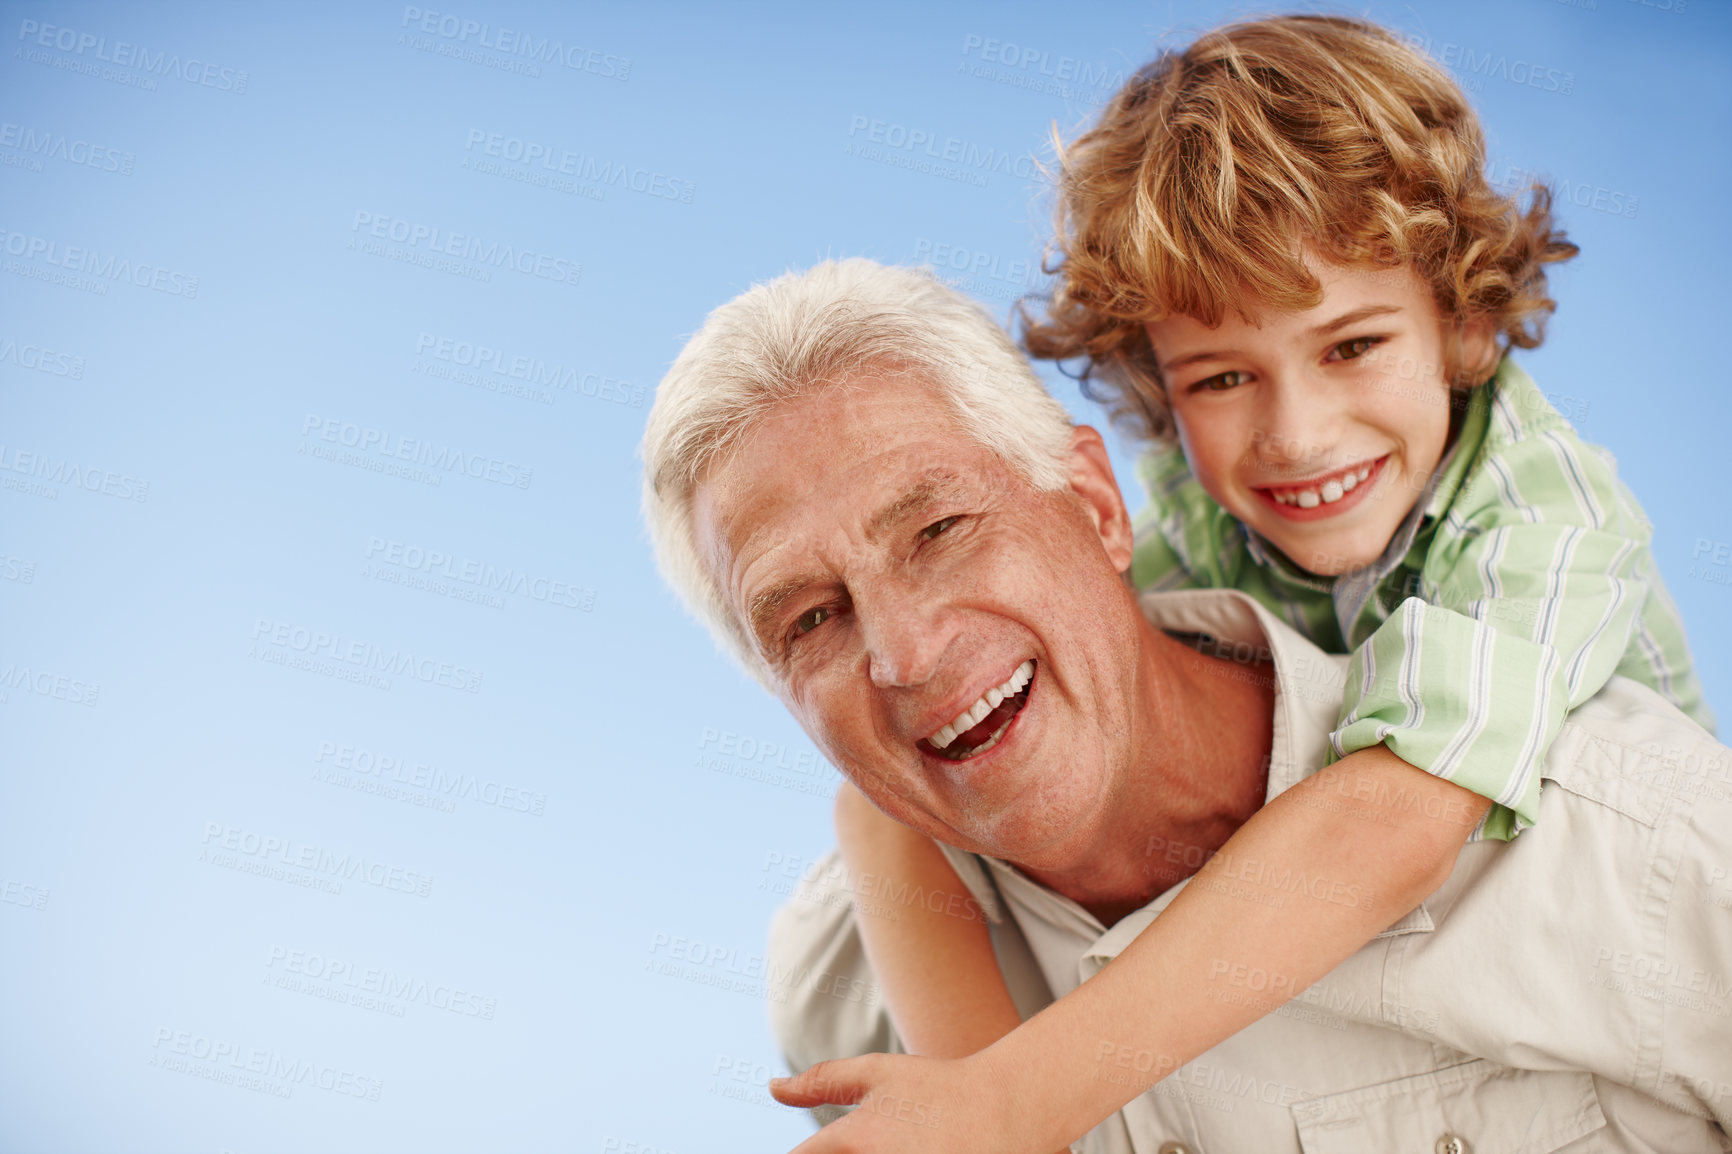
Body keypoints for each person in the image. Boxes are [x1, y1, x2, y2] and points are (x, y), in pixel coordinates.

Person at [822, 13, 1716, 1147]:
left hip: (1580, 971)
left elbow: (1391, 817)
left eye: (1351, 347)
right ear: (1154, 383)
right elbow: (885, 804)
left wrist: (1016, 1098)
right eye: (1223, 377)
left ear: (1461, 314)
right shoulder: (1201, 522)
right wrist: (973, 1084)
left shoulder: (1547, 519)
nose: (1296, 436)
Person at [640, 257, 1732, 1152]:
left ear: (1094, 506)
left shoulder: (1637, 840)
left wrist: (1015, 1097)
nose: (905, 653)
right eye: (810, 620)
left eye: (938, 529)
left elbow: (1386, 821)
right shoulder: (844, 981)